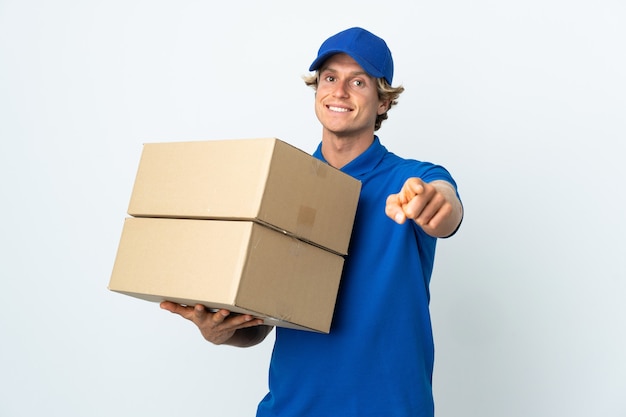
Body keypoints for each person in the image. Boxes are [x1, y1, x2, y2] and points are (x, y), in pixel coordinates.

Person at [161, 27, 463, 417]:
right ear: (317, 89)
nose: (339, 92)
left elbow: (446, 209)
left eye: (358, 81)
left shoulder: (414, 179)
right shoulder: (285, 186)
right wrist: (221, 332)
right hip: (291, 408)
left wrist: (433, 203)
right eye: (329, 78)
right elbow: (262, 321)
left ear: (383, 101)